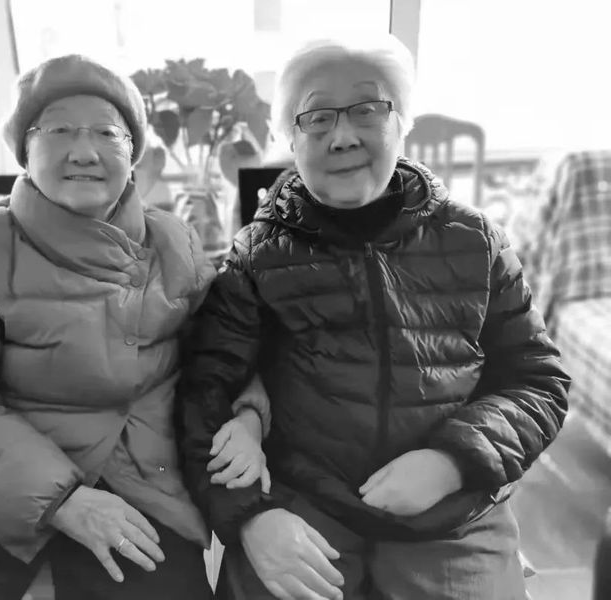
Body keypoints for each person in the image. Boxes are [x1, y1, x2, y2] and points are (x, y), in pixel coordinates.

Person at [0, 54, 269, 600]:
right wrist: (63, 501)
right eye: (58, 130)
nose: (84, 151)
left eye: (107, 132)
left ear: (133, 152)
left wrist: (248, 414)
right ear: (25, 151)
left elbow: (223, 349)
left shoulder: (175, 242)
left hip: (140, 479)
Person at [178, 35, 570, 600]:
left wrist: (452, 462)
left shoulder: (476, 240)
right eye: (317, 117)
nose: (342, 136)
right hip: (307, 505)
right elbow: (204, 390)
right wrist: (249, 517)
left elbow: (539, 381)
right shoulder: (257, 255)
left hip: (450, 511)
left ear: (401, 122)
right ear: (290, 136)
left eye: (367, 110)